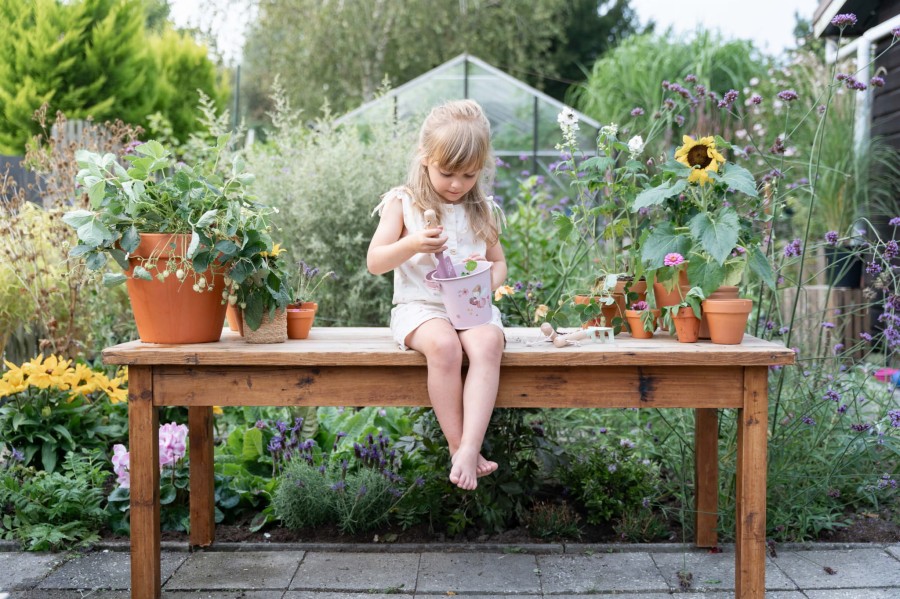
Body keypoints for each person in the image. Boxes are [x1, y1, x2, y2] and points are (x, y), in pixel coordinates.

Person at [367, 99, 507, 491]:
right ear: (424, 157)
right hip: (420, 307)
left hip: (471, 307)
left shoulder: (482, 209)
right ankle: (459, 447)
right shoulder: (404, 203)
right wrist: (412, 244)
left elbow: (499, 265)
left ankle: (470, 448)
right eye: (447, 173)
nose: (457, 185)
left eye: (469, 174)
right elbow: (375, 262)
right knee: (445, 347)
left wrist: (483, 286)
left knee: (489, 342)